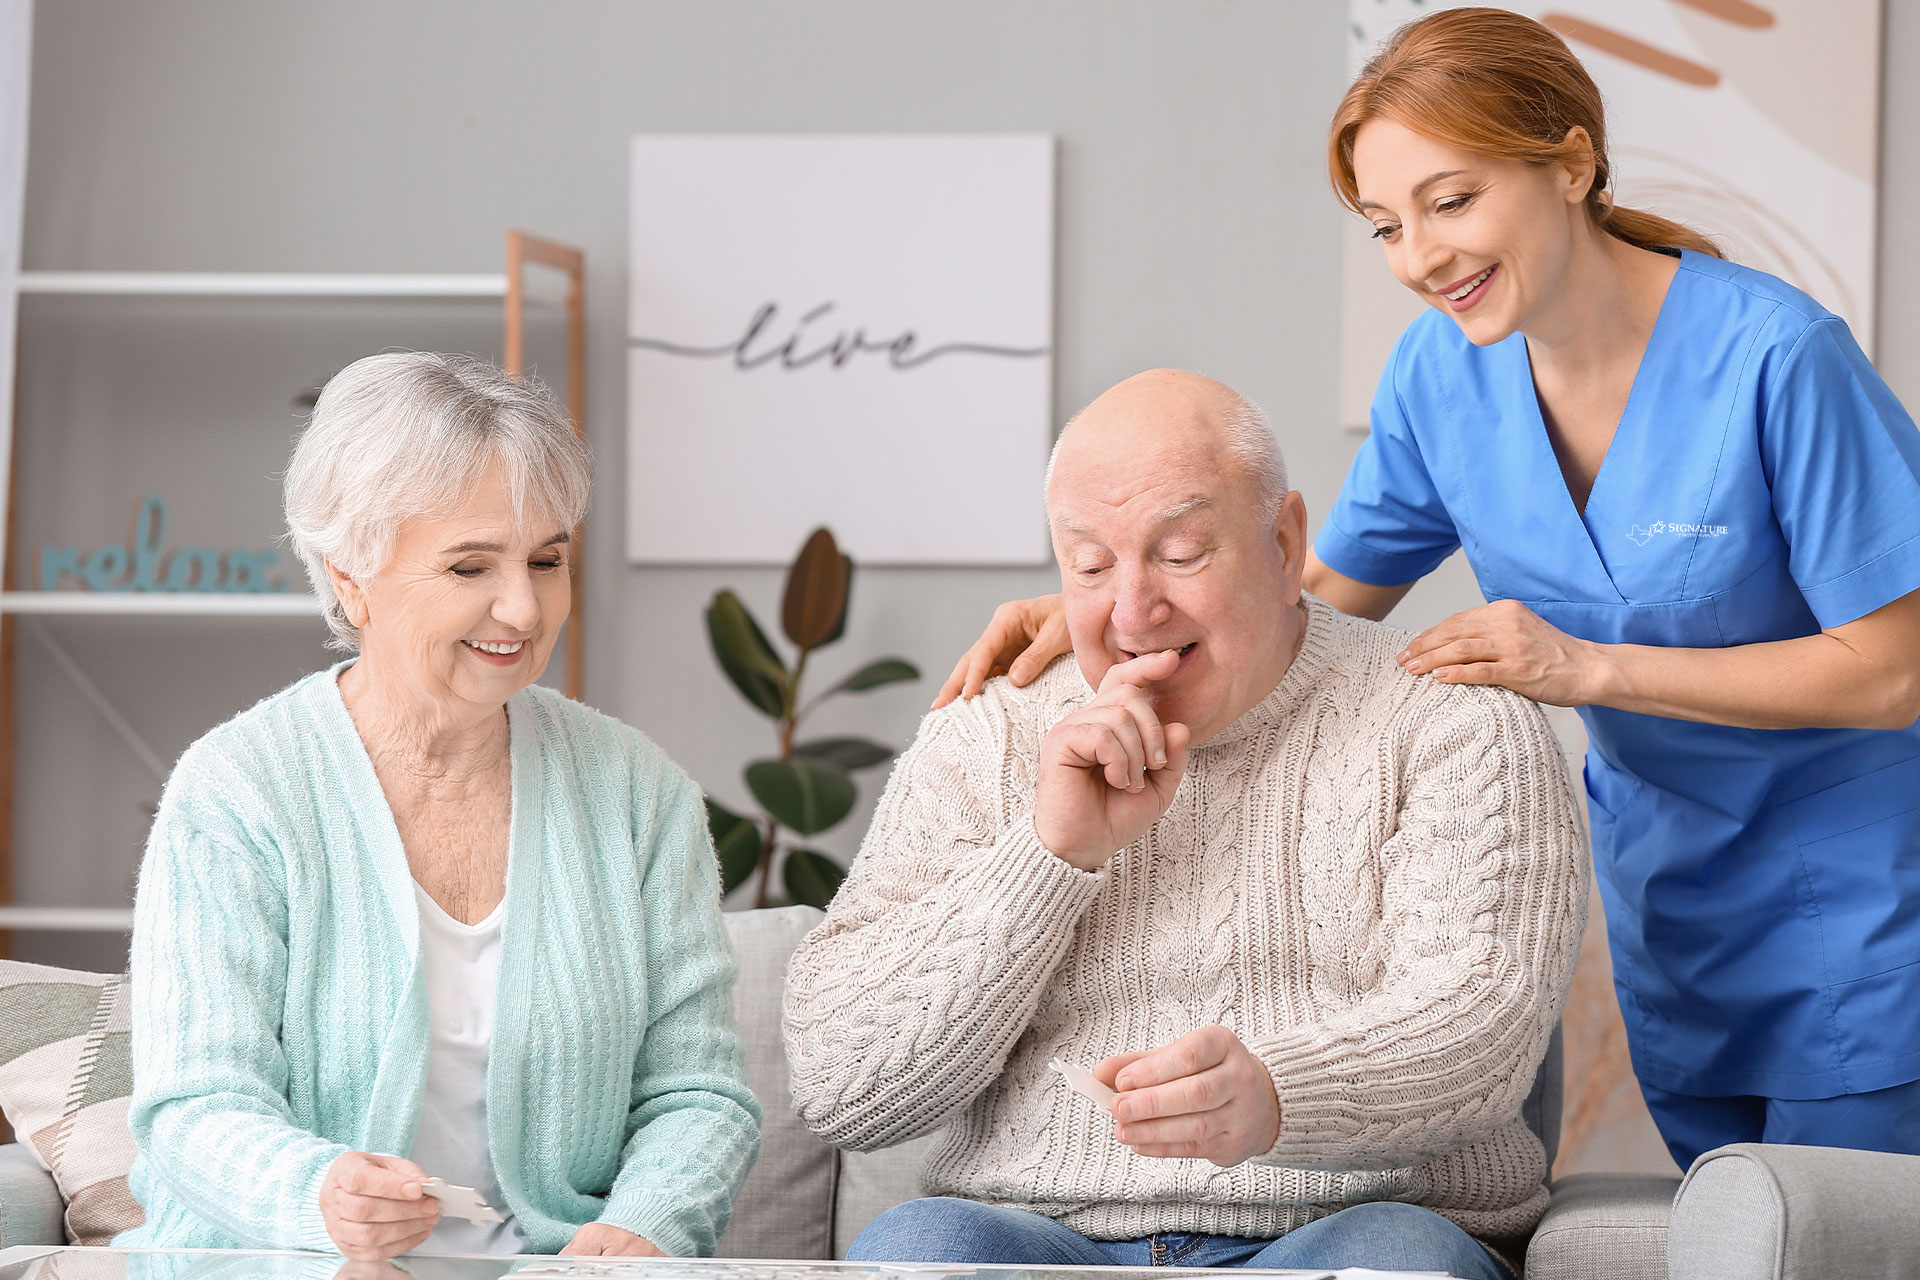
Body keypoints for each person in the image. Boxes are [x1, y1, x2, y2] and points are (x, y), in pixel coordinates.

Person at [934, 8, 1920, 1171]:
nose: (1421, 258)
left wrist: (1587, 666)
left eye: (1451, 203)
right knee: (1727, 1234)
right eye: (1387, 227)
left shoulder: (1776, 357)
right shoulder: (1442, 376)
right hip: (1670, 893)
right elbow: (1311, 599)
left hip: (1858, 896)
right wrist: (1118, 605)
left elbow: (1894, 669)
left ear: (1571, 163)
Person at [785, 369, 1587, 1279]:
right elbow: (842, 1087)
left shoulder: (1455, 722)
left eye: (1180, 553)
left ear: (1286, 545)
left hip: (1359, 1219)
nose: (1133, 612)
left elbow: (1481, 1033)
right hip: (1037, 1232)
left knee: (1394, 1262)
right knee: (917, 1253)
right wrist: (1048, 855)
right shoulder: (986, 733)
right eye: (1090, 567)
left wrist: (1282, 1095)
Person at [117, 352, 760, 1260]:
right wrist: (316, 1196)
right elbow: (194, 1105)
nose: (524, 609)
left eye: (548, 561)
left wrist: (639, 1228)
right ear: (351, 577)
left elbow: (697, 1094)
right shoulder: (238, 791)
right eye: (469, 567)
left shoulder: (635, 792)